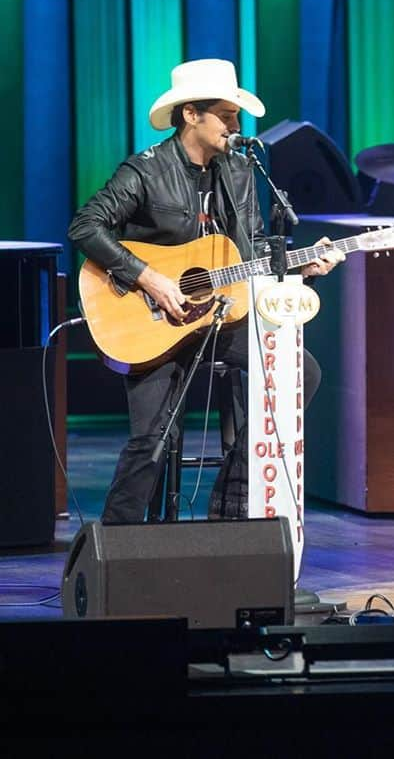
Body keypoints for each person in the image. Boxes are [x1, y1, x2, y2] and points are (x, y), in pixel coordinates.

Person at [69, 58, 343, 524]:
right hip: (152, 319)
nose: (235, 125)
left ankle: (231, 504)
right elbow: (85, 226)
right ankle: (111, 549)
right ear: (191, 114)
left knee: (301, 372)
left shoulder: (239, 172)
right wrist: (148, 277)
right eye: (226, 115)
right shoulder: (146, 171)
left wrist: (305, 268)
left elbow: (252, 252)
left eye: (237, 115)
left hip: (222, 315)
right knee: (152, 439)